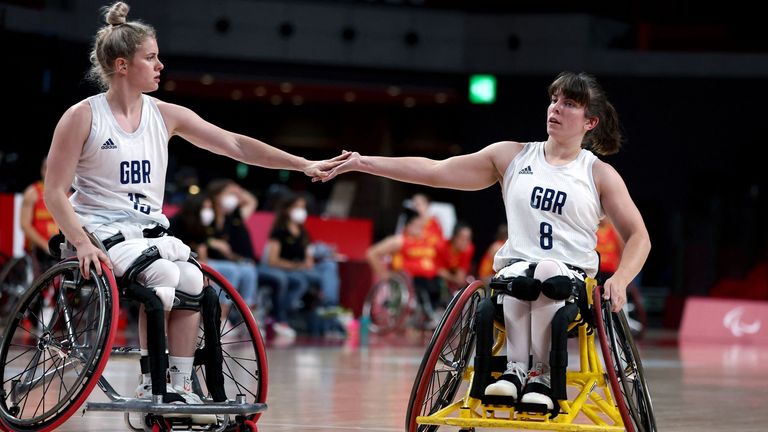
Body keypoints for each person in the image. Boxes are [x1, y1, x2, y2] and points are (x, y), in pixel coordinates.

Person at [44, 1, 348, 411]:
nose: (160, 65)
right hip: (99, 231)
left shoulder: (166, 115)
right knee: (165, 276)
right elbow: (54, 192)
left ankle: (181, 384)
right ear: (121, 65)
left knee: (193, 282)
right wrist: (79, 242)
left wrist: (301, 163)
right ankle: (150, 385)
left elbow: (236, 144)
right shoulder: (82, 117)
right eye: (150, 57)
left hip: (147, 230)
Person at [322, 71, 651, 410]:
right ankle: (515, 370)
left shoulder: (597, 173)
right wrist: (364, 163)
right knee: (520, 275)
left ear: (590, 121)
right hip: (515, 276)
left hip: (571, 285)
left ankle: (540, 374)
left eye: (568, 104)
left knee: (547, 270)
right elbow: (435, 171)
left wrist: (621, 280)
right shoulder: (512, 157)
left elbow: (639, 236)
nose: (555, 108)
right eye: (554, 100)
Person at [264, 193, 341, 334]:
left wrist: (309, 262)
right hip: (286, 269)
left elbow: (308, 257)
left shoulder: (303, 232)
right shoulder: (279, 232)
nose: (301, 211)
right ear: (287, 210)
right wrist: (296, 266)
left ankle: (330, 305)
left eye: (303, 207)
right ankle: (280, 316)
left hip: (303, 269)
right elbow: (272, 261)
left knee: (329, 265)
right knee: (301, 280)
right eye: (297, 207)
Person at [366, 206, 444, 328]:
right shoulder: (399, 240)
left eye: (421, 226)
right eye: (417, 226)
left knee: (439, 284)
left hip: (432, 280)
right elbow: (372, 253)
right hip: (411, 280)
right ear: (408, 226)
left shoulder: (425, 240)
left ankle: (436, 314)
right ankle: (430, 313)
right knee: (423, 285)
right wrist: (385, 275)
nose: (420, 229)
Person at [20, 157, 59, 274]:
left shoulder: (66, 193)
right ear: (42, 170)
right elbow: (25, 225)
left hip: (60, 247)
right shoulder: (32, 193)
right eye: (46, 168)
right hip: (39, 249)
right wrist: (44, 245)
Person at [435, 222, 475, 292]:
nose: (465, 242)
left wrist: (458, 279)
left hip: (453, 280)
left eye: (468, 239)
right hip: (440, 281)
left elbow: (461, 274)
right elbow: (438, 271)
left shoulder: (469, 249)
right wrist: (453, 278)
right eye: (462, 238)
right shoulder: (441, 246)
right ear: (454, 237)